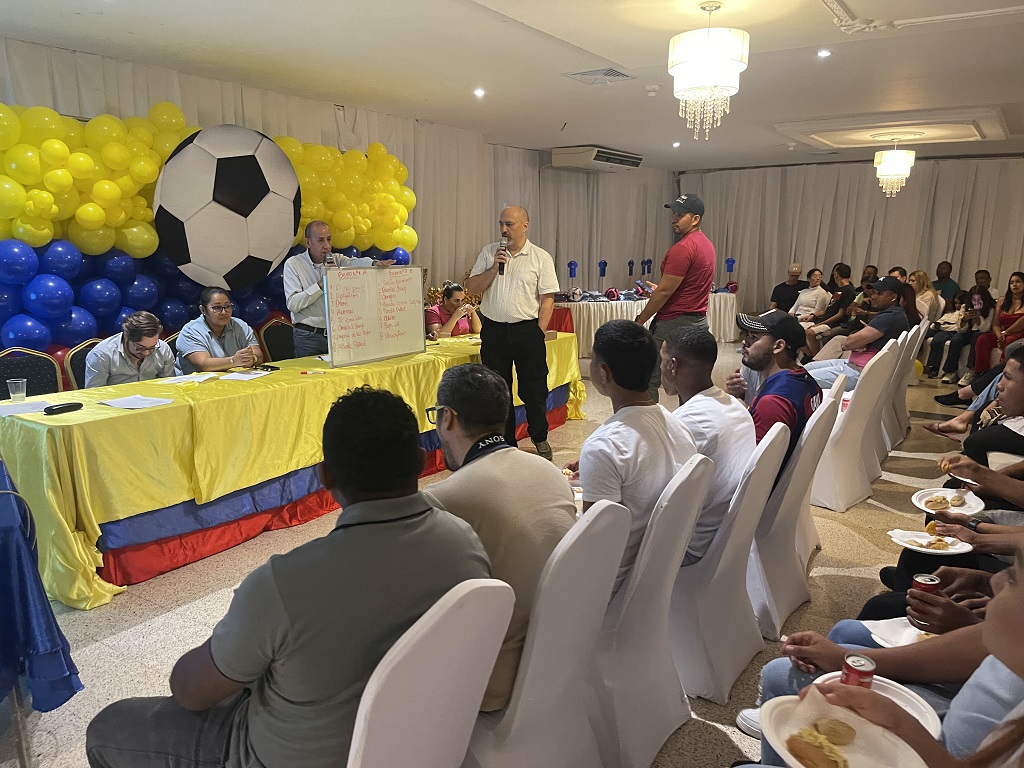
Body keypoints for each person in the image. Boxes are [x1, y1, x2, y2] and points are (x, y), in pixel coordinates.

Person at [84, 386, 490, 768]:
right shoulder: (465, 544)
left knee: (108, 726)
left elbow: (191, 692)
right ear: (420, 461)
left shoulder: (284, 583)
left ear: (326, 477)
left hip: (281, 755)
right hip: (416, 746)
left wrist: (237, 642)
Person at [422, 364, 575, 711]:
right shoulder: (547, 470)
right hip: (565, 650)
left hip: (498, 680)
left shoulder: (445, 498)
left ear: (446, 417)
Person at [564, 319, 697, 595]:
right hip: (659, 566)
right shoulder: (677, 424)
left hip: (617, 581)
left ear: (603, 373)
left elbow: (596, 543)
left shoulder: (603, 446)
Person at [465, 206, 559, 461]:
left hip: (527, 330)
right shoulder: (489, 253)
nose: (504, 230)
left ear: (525, 226)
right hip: (494, 330)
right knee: (497, 388)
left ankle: (539, 436)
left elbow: (547, 298)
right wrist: (494, 268)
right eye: (501, 224)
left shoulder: (540, 257)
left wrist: (538, 332)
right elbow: (472, 288)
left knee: (534, 388)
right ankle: (506, 443)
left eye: (509, 224)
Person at [659, 325, 755, 564]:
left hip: (692, 546)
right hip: (727, 533)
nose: (659, 368)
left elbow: (656, 495)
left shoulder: (686, 422)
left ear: (672, 365)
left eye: (661, 361)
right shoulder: (735, 406)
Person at [635, 193, 715, 404]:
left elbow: (664, 293)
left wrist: (641, 319)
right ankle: (690, 427)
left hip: (674, 323)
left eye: (680, 215)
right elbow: (681, 286)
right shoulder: (706, 245)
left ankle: (650, 432)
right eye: (674, 214)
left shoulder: (682, 248)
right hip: (698, 321)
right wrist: (660, 288)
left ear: (695, 219)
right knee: (689, 381)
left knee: (649, 380)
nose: (674, 219)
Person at [282, 220, 394, 357]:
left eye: (329, 239)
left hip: (338, 336)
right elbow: (293, 304)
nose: (327, 246)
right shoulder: (294, 264)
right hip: (309, 336)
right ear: (308, 243)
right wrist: (320, 285)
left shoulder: (337, 260)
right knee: (312, 377)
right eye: (320, 241)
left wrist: (375, 263)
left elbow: (354, 263)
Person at [725, 310, 822, 465]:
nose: (744, 341)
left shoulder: (773, 402)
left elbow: (753, 466)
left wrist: (738, 412)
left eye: (753, 337)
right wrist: (740, 397)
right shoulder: (806, 380)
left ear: (778, 346)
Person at [803, 276, 910, 391]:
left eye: (879, 294)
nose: (873, 296)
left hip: (862, 373)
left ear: (893, 297)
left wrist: (858, 341)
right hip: (860, 366)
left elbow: (848, 344)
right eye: (874, 292)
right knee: (804, 369)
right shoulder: (896, 314)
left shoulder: (888, 317)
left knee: (801, 379)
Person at [176, 287, 264, 374]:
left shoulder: (240, 325)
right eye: (217, 308)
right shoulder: (190, 331)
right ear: (203, 310)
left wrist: (252, 359)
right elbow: (203, 365)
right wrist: (233, 361)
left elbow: (258, 355)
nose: (224, 312)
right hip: (194, 385)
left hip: (232, 381)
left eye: (227, 306)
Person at [84, 310, 175, 388]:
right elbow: (94, 395)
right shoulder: (102, 355)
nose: (146, 353)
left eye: (152, 347)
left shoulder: (163, 348)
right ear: (126, 336)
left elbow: (170, 386)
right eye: (140, 347)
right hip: (115, 405)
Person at [938, 286, 996, 384]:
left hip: (982, 333)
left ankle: (971, 370)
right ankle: (950, 371)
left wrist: (979, 316)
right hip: (968, 332)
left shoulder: (990, 308)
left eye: (979, 299)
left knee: (976, 337)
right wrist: (964, 320)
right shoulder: (965, 307)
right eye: (973, 299)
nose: (976, 302)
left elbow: (985, 329)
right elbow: (960, 330)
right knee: (956, 339)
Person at [973, 272, 1024, 377]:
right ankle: (981, 373)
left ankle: (1001, 374)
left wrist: (1005, 334)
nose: (1014, 285)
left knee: (1009, 340)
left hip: (1019, 334)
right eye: (1012, 282)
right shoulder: (1002, 301)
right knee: (983, 339)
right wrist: (999, 335)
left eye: (1018, 282)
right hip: (1002, 333)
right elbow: (995, 324)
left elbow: (1022, 323)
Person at [803, 263, 855, 356]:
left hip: (834, 323)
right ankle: (808, 355)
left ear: (836, 274)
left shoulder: (849, 291)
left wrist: (820, 324)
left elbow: (840, 314)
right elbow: (828, 309)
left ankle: (815, 357)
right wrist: (813, 315)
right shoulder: (838, 290)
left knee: (810, 332)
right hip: (824, 319)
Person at [925, 290, 970, 378]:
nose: (957, 306)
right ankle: (930, 365)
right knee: (933, 337)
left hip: (953, 332)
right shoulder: (950, 313)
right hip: (943, 330)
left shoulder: (964, 314)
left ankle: (935, 368)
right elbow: (936, 324)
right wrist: (940, 326)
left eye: (960, 303)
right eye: (956, 303)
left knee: (939, 339)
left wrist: (942, 327)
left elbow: (957, 328)